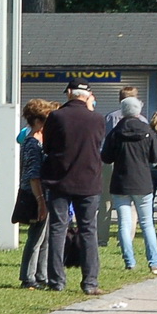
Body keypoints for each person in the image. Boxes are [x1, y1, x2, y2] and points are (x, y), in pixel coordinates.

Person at [41, 81, 105, 295]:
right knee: (89, 230)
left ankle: (56, 280)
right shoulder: (96, 118)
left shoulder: (56, 117)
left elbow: (47, 147)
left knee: (58, 229)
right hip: (88, 181)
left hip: (59, 180)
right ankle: (90, 282)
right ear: (87, 96)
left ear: (69, 93)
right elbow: (98, 145)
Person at [101, 95, 157, 274]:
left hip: (120, 182)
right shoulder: (147, 130)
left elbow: (105, 157)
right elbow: (156, 157)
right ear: (139, 110)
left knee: (124, 223)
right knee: (147, 223)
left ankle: (129, 261)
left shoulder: (115, 132)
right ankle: (154, 262)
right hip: (143, 182)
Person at [17, 99, 53, 289]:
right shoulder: (32, 142)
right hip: (34, 194)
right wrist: (40, 201)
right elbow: (33, 176)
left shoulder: (39, 141)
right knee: (36, 237)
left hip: (41, 193)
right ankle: (28, 276)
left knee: (45, 237)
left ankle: (42, 275)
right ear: (38, 121)